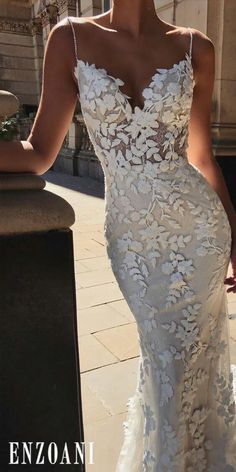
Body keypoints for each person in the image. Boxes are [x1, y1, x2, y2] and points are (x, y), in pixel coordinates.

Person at [1, 1, 236, 470]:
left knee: (190, 362)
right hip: (134, 239)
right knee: (167, 358)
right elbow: (39, 153)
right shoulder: (68, 38)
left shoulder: (197, 47)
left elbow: (203, 158)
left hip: (201, 231)